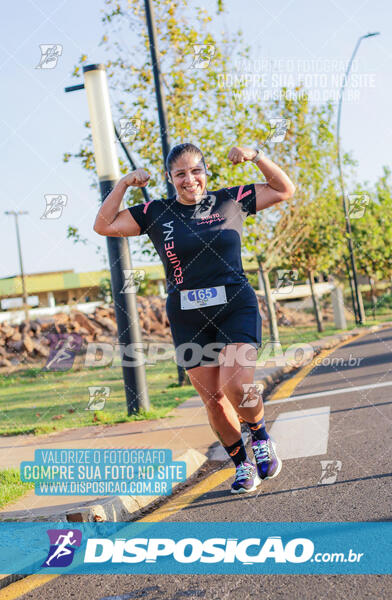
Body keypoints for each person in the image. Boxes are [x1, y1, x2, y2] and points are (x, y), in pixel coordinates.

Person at [93, 143, 296, 493]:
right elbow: (104, 224)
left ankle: (261, 438)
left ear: (206, 172)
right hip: (188, 316)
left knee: (236, 384)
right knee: (213, 399)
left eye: (196, 170)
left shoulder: (230, 200)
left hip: (235, 305)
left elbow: (284, 190)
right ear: (171, 179)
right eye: (181, 174)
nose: (190, 180)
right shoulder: (157, 212)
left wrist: (256, 156)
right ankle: (242, 464)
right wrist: (125, 182)